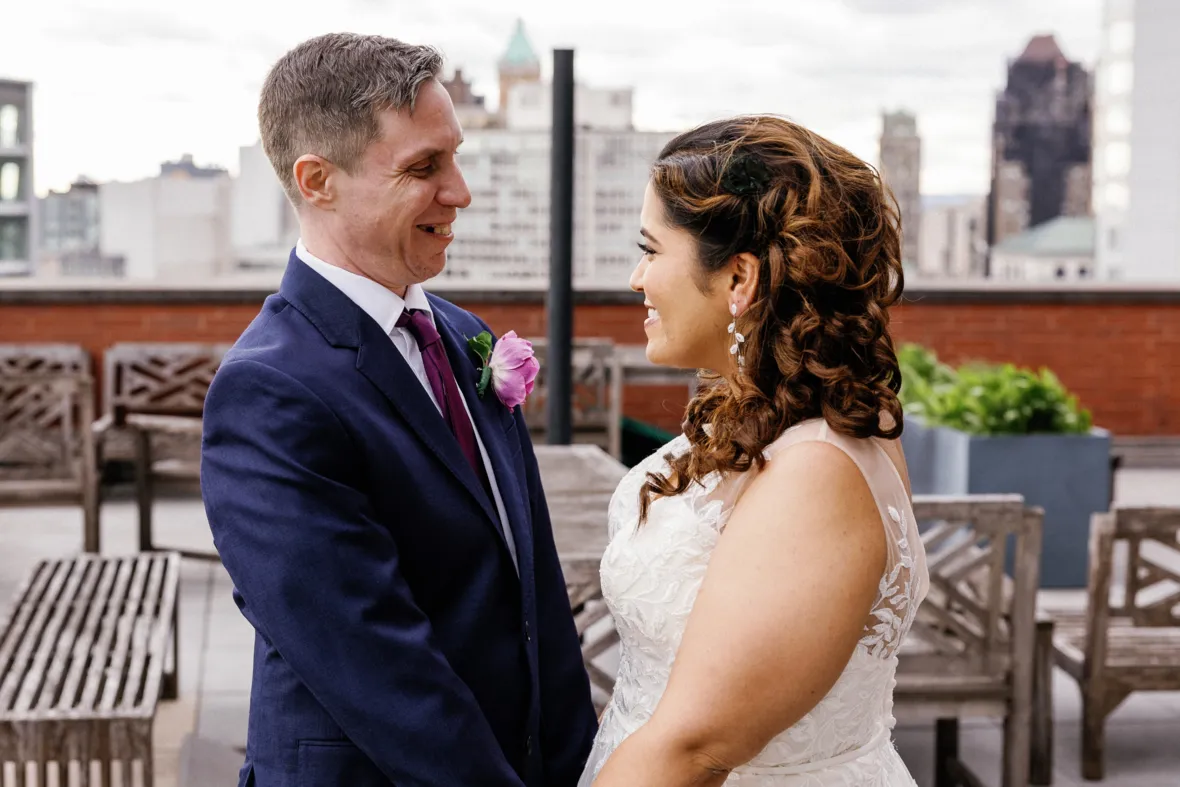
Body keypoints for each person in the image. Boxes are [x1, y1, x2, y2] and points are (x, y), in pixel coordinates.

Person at [200, 33, 596, 787]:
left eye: (454, 156)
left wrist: (580, 767)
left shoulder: (465, 335)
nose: (460, 191)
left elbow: (535, 591)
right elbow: (373, 661)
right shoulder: (270, 394)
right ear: (317, 180)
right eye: (423, 168)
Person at [579, 115, 929, 786]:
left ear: (739, 277)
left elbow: (693, 747)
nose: (635, 278)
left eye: (651, 250)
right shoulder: (788, 419)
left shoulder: (815, 474)